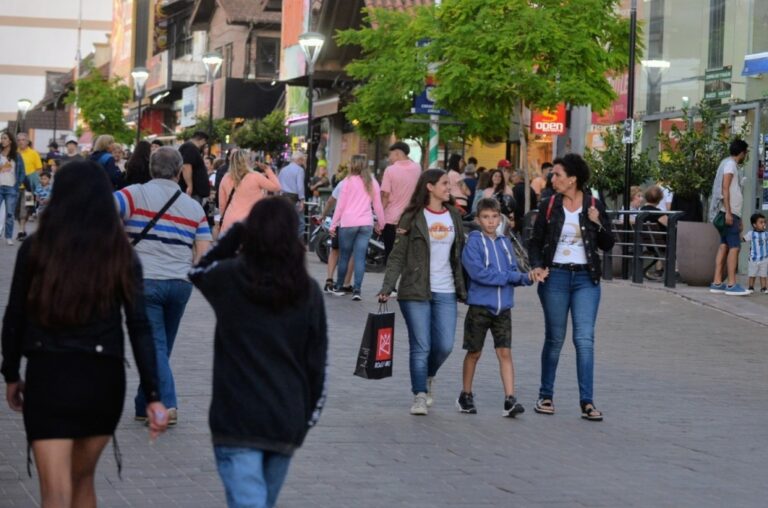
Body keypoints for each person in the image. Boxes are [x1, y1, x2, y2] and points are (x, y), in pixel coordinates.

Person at [1, 160, 168, 507]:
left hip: (50, 375)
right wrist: (154, 394)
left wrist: (12, 373)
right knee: (82, 482)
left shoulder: (36, 249)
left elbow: (14, 315)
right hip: (102, 378)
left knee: (55, 492)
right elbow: (139, 327)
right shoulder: (120, 253)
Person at [189, 197, 327, 508]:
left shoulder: (229, 278)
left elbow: (198, 271)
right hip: (284, 419)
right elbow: (318, 364)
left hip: (235, 420)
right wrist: (305, 420)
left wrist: (237, 231)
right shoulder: (306, 290)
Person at [114, 146, 213, 425]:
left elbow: (102, 210)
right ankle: (142, 402)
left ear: (150, 169)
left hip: (145, 281)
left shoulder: (133, 194)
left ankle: (166, 404)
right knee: (161, 346)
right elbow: (203, 251)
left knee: (155, 346)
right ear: (180, 172)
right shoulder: (193, 207)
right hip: (179, 284)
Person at [528, 153, 614, 422]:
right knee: (555, 339)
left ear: (573, 179)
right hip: (556, 278)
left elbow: (608, 244)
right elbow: (535, 240)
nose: (552, 179)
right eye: (553, 174)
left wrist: (597, 221)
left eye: (557, 175)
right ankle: (546, 396)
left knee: (584, 340)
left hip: (586, 279)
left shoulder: (594, 204)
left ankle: (587, 402)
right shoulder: (549, 204)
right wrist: (537, 265)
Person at [378, 169, 467, 415]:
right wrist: (388, 287)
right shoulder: (412, 216)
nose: (448, 188)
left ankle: (429, 375)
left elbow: (461, 252)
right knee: (421, 346)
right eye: (444, 183)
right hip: (415, 290)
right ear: (429, 187)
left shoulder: (453, 215)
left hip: (447, 289)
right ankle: (419, 394)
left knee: (445, 345)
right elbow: (397, 255)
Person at [458, 198, 542, 416]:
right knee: (474, 352)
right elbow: (479, 274)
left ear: (500, 218)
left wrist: (529, 277)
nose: (490, 221)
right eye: (486, 217)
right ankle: (466, 394)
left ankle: (510, 399)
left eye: (495, 216)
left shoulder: (505, 243)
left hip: (503, 307)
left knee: (505, 352)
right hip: (479, 306)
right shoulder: (473, 242)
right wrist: (511, 276)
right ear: (478, 219)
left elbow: (514, 271)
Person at [329, 154, 385, 300]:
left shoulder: (347, 181)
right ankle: (357, 290)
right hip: (366, 223)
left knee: (345, 256)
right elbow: (377, 205)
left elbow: (340, 206)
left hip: (348, 223)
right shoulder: (372, 181)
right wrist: (381, 222)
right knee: (360, 258)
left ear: (353, 165)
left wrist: (333, 224)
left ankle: (340, 286)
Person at [708, 139, 750, 296]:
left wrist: (737, 216)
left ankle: (717, 282)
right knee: (734, 247)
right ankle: (732, 284)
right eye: (746, 152)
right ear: (741, 152)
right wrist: (728, 212)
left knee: (724, 245)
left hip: (731, 213)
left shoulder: (727, 163)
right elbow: (725, 188)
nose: (746, 155)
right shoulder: (730, 165)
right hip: (728, 213)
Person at [218, 149, 281, 234]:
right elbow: (277, 187)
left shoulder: (225, 178)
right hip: (251, 221)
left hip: (229, 220)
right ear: (247, 161)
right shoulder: (255, 176)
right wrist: (268, 170)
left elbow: (222, 203)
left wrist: (223, 216)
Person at [381, 141, 421, 263]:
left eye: (391, 155)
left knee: (391, 254)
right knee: (408, 254)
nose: (389, 158)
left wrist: (379, 214)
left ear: (398, 154)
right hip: (411, 217)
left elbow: (385, 195)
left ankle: (391, 279)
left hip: (391, 219)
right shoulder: (417, 168)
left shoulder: (390, 170)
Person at [320, 177, 353, 293]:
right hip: (354, 222)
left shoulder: (343, 183)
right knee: (351, 253)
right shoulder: (365, 183)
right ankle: (346, 283)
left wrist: (323, 215)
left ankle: (329, 280)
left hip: (339, 220)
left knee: (334, 250)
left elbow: (330, 201)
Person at [15, 132, 43, 241]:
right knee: (16, 210)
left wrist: (34, 180)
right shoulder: (14, 154)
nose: (21, 142)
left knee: (26, 208)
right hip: (15, 187)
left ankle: (21, 230)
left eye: (23, 140)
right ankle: (23, 228)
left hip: (29, 187)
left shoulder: (34, 153)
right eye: (19, 140)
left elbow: (39, 169)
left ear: (27, 141)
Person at [0, 131, 25, 245]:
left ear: (10, 141)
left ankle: (8, 237)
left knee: (10, 214)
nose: (2, 140)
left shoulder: (17, 155)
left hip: (11, 188)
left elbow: (22, 172)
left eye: (5, 138)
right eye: (1, 138)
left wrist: (18, 184)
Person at [278, 151, 307, 239]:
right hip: (293, 199)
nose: (303, 162)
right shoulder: (299, 170)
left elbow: (278, 184)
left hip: (282, 198)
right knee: (300, 223)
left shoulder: (283, 170)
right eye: (303, 160)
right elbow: (300, 186)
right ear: (299, 160)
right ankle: (295, 243)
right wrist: (302, 200)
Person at [178, 131, 211, 202]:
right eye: (205, 143)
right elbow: (186, 166)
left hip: (195, 192)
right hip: (193, 193)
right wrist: (189, 186)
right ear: (202, 140)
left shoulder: (190, 148)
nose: (204, 146)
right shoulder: (190, 147)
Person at [743, 213, 768, 294]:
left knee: (763, 274)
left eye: (764, 222)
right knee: (752, 274)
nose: (764, 224)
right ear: (754, 225)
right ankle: (751, 287)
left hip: (764, 258)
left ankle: (764, 288)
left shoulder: (766, 234)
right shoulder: (751, 233)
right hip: (753, 258)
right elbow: (743, 239)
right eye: (761, 222)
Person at [511, 168, 537, 233]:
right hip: (529, 220)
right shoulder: (531, 189)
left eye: (514, 176)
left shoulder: (515, 189)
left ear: (519, 177)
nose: (512, 178)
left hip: (518, 220)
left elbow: (514, 206)